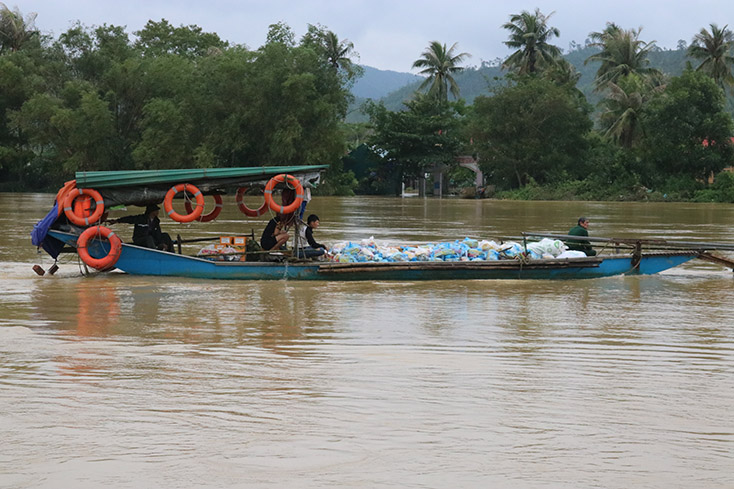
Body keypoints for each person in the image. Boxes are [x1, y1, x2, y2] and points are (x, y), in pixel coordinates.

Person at [108, 204, 174, 252]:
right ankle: (154, 253)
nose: (157, 212)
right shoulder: (141, 218)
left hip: (151, 240)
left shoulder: (156, 221)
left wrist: (162, 243)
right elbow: (130, 219)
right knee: (149, 238)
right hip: (140, 239)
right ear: (152, 211)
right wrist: (117, 221)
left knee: (165, 235)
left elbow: (158, 234)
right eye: (156, 210)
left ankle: (171, 253)